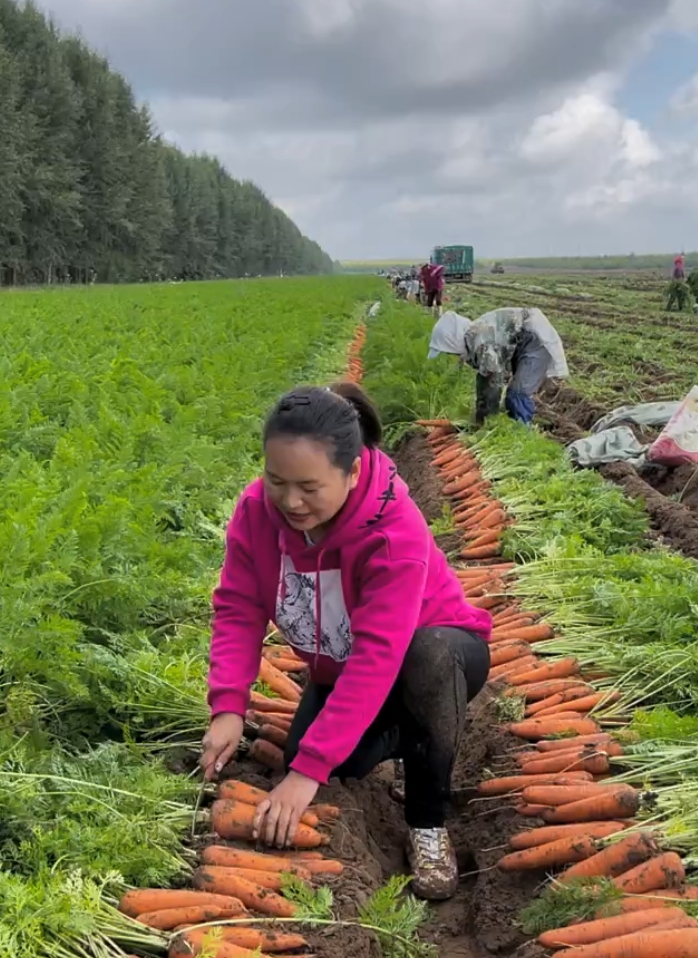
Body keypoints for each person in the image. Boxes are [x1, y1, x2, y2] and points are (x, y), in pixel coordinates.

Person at [201, 382, 491, 901]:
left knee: (422, 661)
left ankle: (427, 821)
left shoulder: (392, 528)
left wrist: (308, 771)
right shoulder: (254, 514)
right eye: (276, 481)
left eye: (309, 488)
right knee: (339, 763)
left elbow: (379, 655)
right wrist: (228, 705)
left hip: (444, 653)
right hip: (342, 666)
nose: (290, 501)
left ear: (353, 471)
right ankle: (413, 736)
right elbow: (238, 608)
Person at [428, 307, 569, 426]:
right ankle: (514, 429)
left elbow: (493, 382)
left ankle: (522, 435)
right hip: (522, 340)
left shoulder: (483, 343)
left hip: (535, 340)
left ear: (452, 341)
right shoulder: (474, 338)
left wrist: (486, 418)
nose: (452, 355)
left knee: (517, 394)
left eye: (449, 351)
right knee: (511, 394)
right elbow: (484, 378)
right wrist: (481, 414)